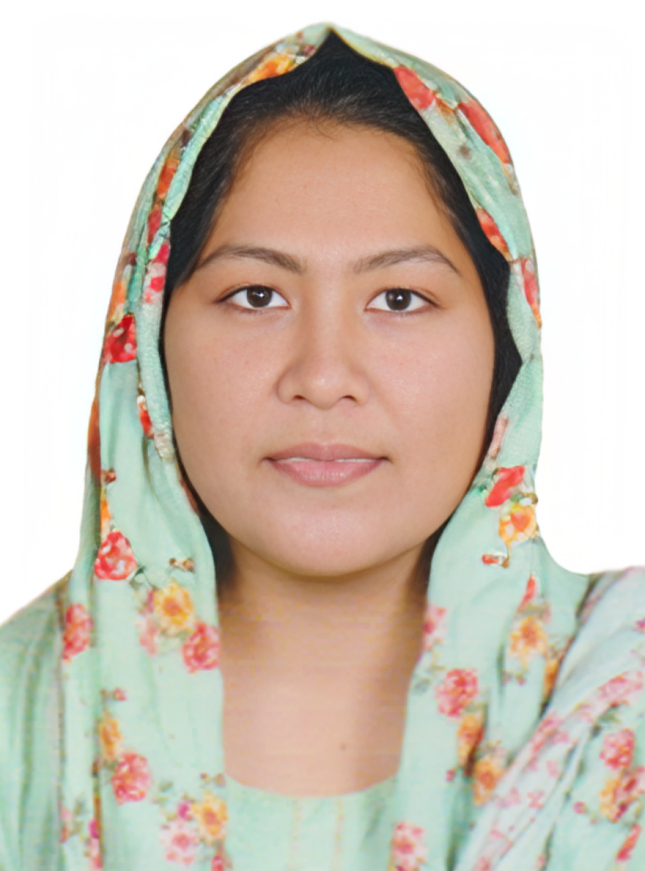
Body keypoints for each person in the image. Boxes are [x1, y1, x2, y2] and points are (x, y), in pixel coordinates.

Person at [0, 21, 643, 871]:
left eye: (399, 299)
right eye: (256, 295)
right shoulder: (18, 719)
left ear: (507, 343)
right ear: (147, 338)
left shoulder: (619, 704)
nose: (324, 375)